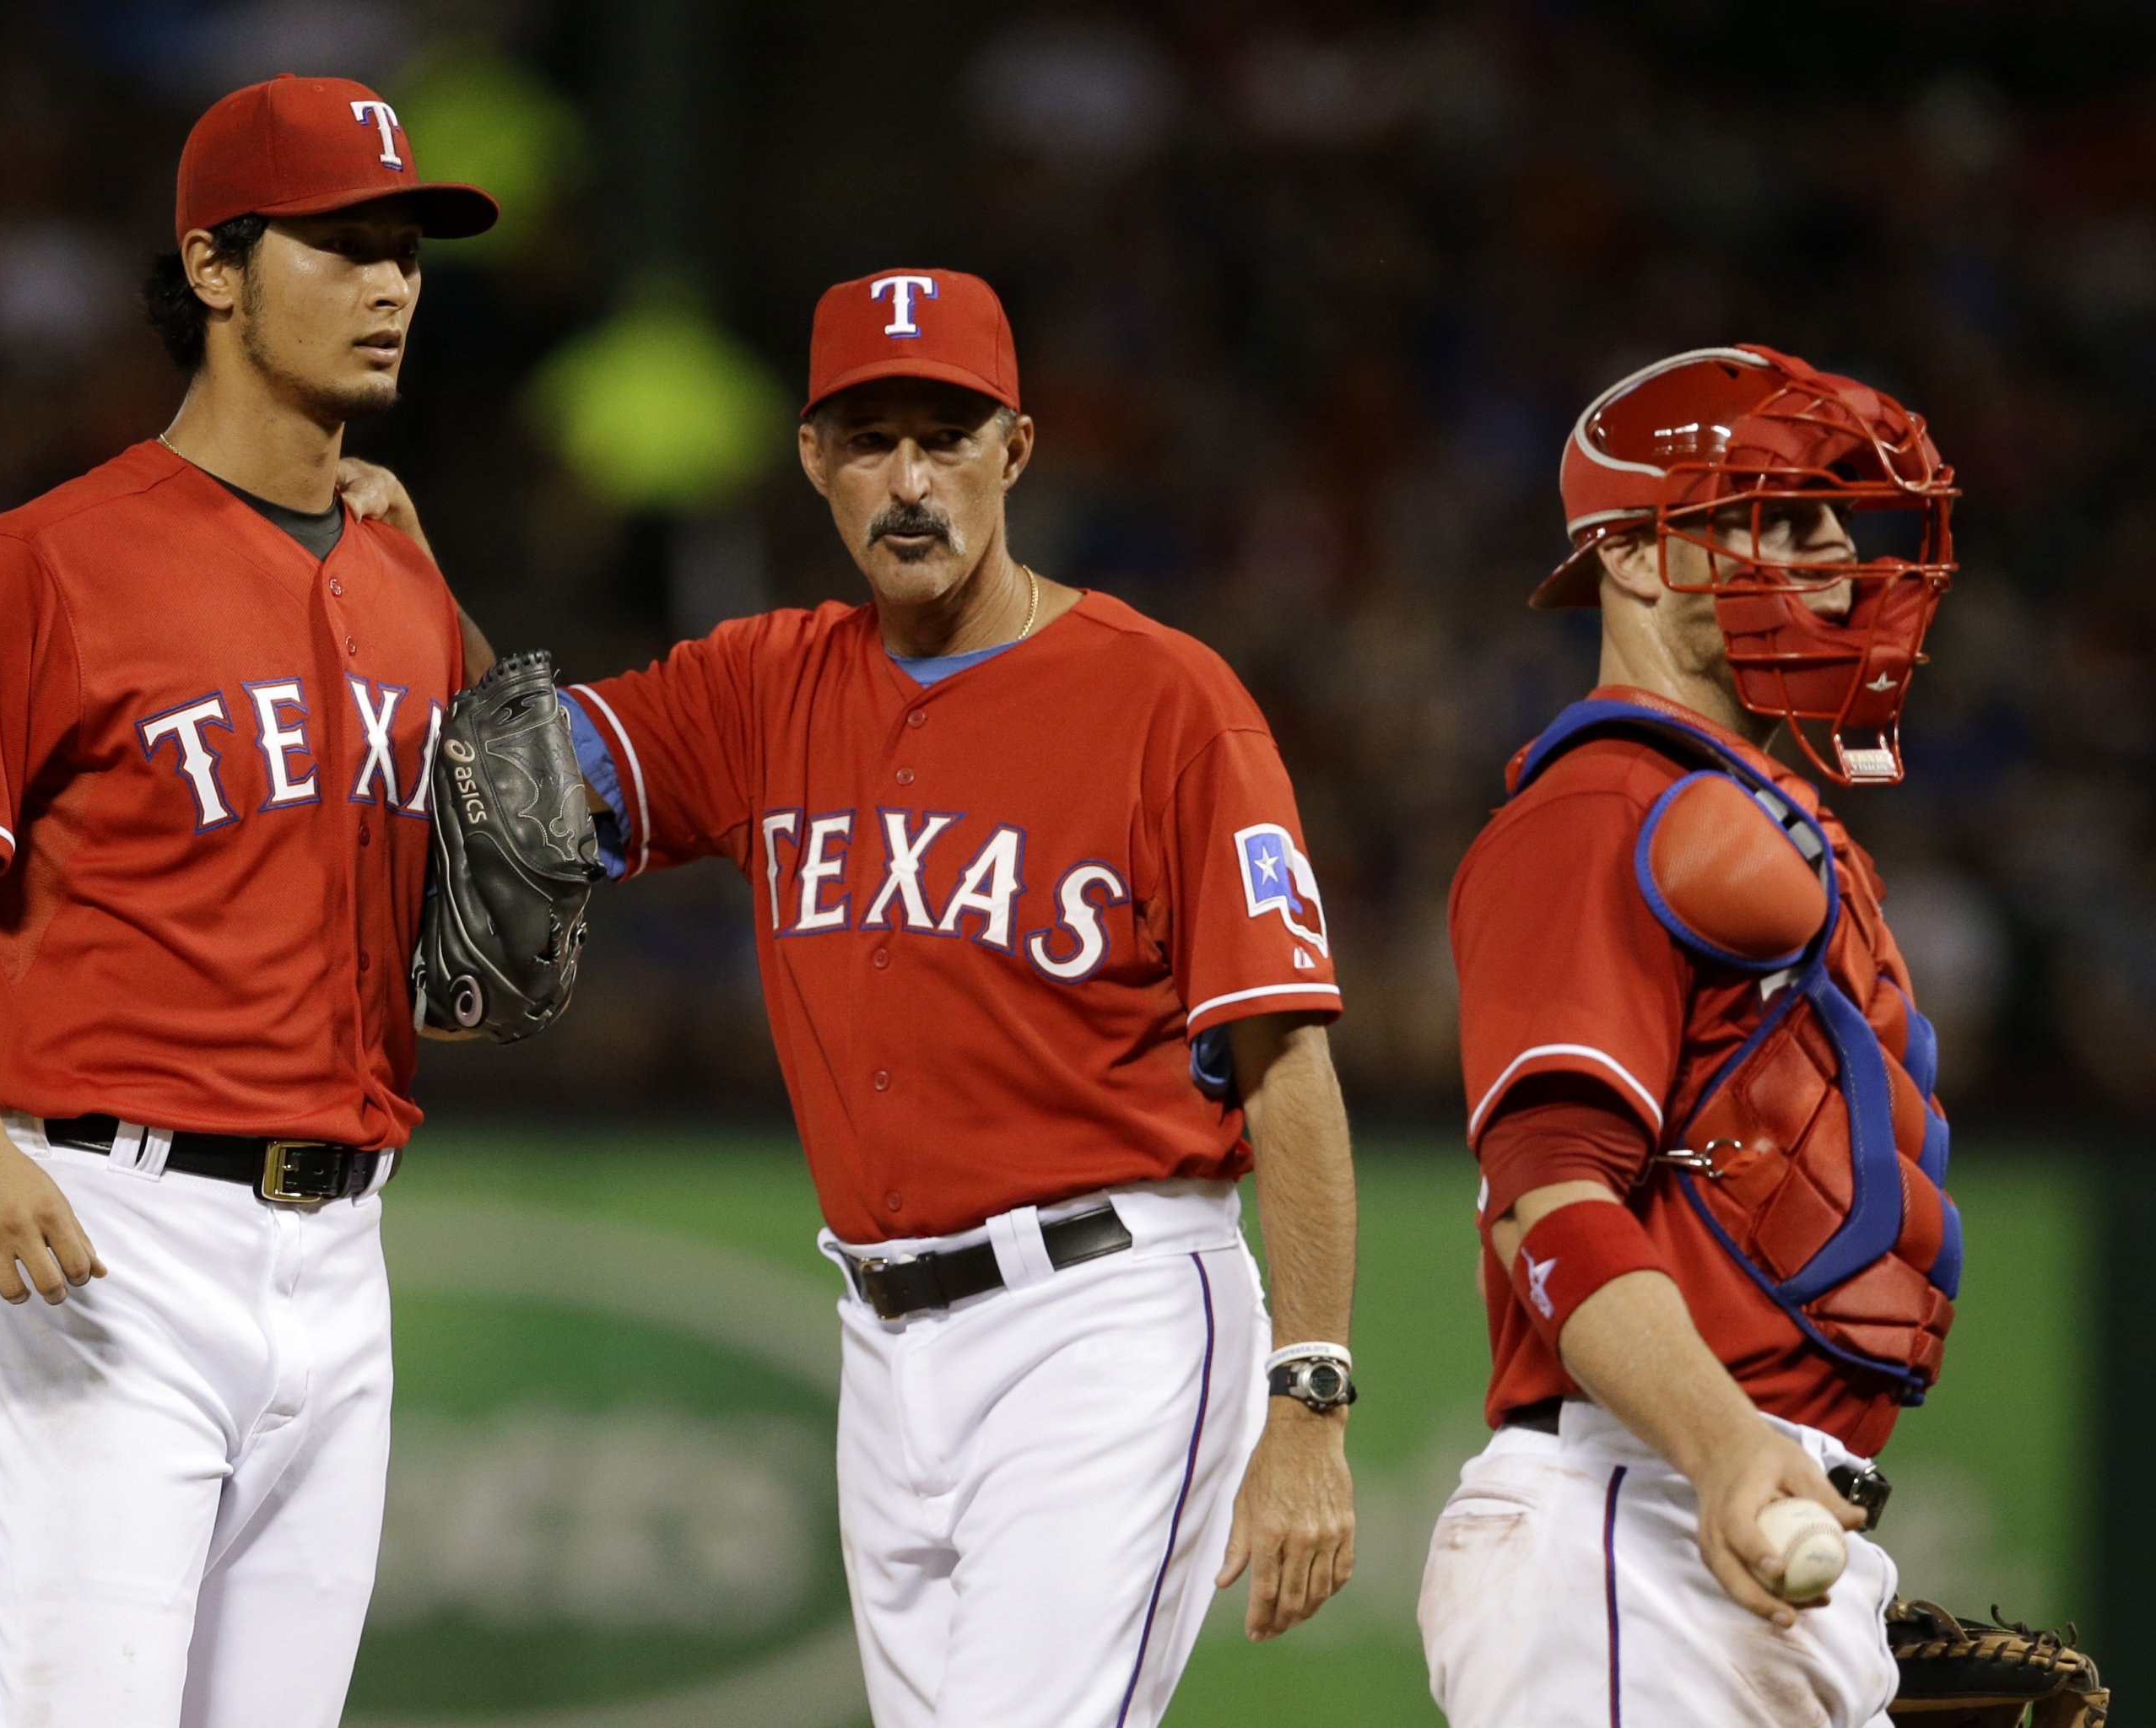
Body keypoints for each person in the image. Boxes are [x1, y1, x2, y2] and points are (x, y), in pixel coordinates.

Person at [356, 266, 1361, 1725]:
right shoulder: (769, 684)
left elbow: (1289, 1066)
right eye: (871, 437)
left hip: (1109, 1315)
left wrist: (1311, 1396)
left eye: (946, 437)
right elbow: (511, 774)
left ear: (1016, 450)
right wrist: (408, 579)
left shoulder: (1168, 702)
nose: (910, 481)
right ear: (814, 460)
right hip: (885, 1343)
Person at [0, 75, 498, 1728]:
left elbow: (492, 801)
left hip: (344, 1250)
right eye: (340, 244)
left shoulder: (402, 573)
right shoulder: (37, 564)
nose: (391, 283)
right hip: (104, 1243)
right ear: (214, 267)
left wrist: (435, 587)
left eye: (405, 250)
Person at [1422, 344, 1964, 1725]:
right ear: (1643, 559)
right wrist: (1725, 1453)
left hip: (1739, 1523)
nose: (1840, 548)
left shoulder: (1753, 815)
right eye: (1780, 515)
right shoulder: (1599, 811)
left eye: (1841, 517)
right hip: (1640, 1514)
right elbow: (1542, 1195)